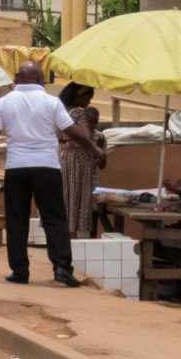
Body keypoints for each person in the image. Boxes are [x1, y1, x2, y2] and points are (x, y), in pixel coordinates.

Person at [0, 61, 100, 287]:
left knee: (17, 219)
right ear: (40, 80)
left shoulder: (3, 102)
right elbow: (74, 132)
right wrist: (95, 148)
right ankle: (62, 268)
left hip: (16, 167)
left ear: (18, 78)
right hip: (47, 167)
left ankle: (20, 271)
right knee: (55, 218)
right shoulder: (51, 102)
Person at [59, 90, 105, 245]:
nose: (89, 101)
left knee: (70, 201)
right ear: (79, 95)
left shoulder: (62, 109)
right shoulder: (78, 112)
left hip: (69, 162)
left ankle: (70, 238)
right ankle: (72, 240)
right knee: (73, 201)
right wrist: (95, 149)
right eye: (88, 97)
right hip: (75, 163)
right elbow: (84, 135)